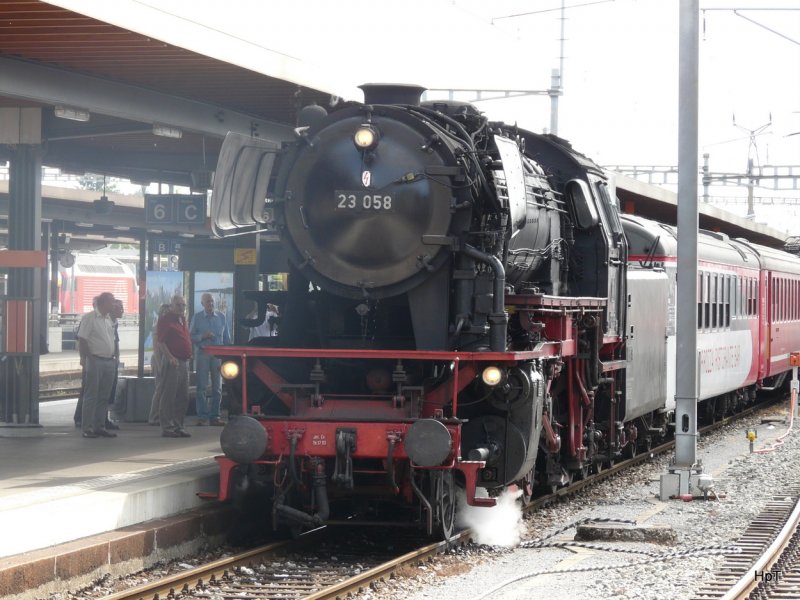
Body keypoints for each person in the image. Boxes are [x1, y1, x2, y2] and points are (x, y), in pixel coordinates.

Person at [77, 291, 118, 438]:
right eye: (112, 301)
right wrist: (88, 358)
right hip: (95, 360)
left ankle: (99, 426)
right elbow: (82, 339)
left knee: (104, 396)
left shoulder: (108, 319)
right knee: (91, 395)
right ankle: (87, 428)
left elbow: (111, 340)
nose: (114, 304)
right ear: (104, 303)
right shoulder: (90, 318)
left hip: (109, 360)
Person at [190, 293, 231, 425]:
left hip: (218, 356)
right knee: (201, 386)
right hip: (203, 354)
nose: (211, 304)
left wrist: (227, 356)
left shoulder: (221, 317)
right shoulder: (197, 318)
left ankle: (215, 416)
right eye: (208, 301)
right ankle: (202, 416)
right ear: (202, 303)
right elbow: (190, 337)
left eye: (212, 301)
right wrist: (202, 336)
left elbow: (226, 338)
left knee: (217, 387)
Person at [156, 294, 192, 438]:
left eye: (183, 305)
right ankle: (167, 426)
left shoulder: (182, 320)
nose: (181, 308)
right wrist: (170, 357)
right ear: (171, 306)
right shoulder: (166, 320)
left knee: (183, 395)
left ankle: (179, 425)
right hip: (173, 361)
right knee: (169, 395)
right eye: (178, 305)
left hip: (184, 361)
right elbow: (161, 341)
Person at [147, 303, 171, 426]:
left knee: (166, 390)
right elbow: (156, 348)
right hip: (159, 359)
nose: (167, 314)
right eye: (164, 312)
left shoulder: (169, 325)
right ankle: (154, 417)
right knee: (160, 389)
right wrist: (158, 364)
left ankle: (163, 416)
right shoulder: (157, 326)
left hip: (168, 359)